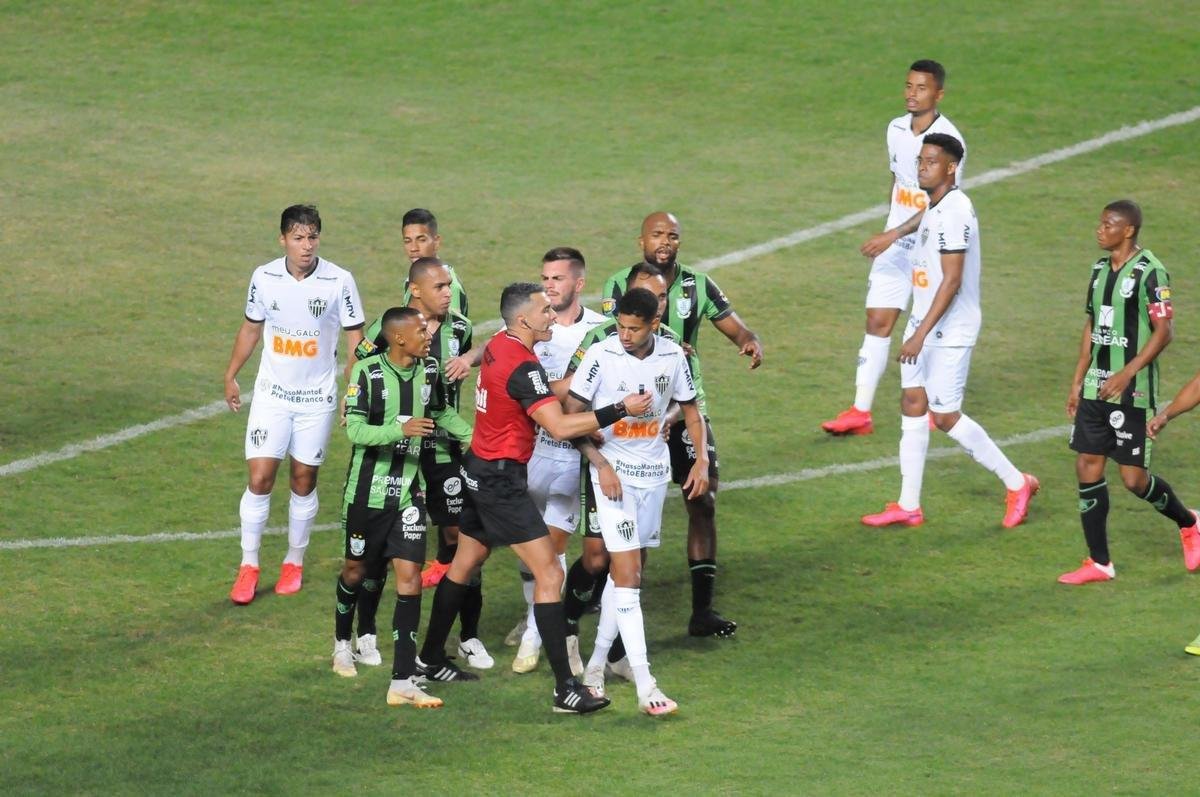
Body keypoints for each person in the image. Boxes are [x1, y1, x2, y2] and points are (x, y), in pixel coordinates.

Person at [415, 282, 653, 714]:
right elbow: (558, 427)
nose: (552, 316)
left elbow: (535, 387)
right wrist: (619, 409)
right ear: (523, 319)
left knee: (466, 561)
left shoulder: (499, 346)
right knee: (549, 573)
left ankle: (429, 658)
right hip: (501, 483)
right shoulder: (523, 366)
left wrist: (578, 383)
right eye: (545, 310)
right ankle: (566, 689)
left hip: (476, 469)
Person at [860, 134, 1038, 529]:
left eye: (931, 161)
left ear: (952, 167)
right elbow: (925, 218)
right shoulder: (937, 205)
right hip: (923, 321)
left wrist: (920, 335)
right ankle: (908, 505)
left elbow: (952, 281)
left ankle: (1017, 483)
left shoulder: (956, 211)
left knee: (944, 416)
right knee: (912, 402)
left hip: (948, 329)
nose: (922, 167)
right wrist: (893, 234)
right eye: (920, 161)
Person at [602, 212, 763, 638]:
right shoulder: (618, 284)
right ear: (641, 241)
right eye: (657, 234)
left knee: (703, 499)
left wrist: (749, 340)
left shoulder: (698, 284)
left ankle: (701, 611)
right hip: (638, 415)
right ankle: (617, 603)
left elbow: (735, 326)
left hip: (687, 408)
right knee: (628, 510)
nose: (665, 242)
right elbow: (610, 340)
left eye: (672, 236)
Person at [567, 288, 706, 715]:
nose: (624, 335)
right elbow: (570, 416)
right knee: (628, 577)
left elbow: (691, 409)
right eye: (621, 326)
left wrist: (700, 460)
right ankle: (646, 685)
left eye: (633, 328)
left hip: (653, 477)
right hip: (612, 478)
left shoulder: (672, 356)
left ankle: (595, 667)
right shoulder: (601, 355)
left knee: (628, 576)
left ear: (653, 325)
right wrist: (600, 465)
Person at [347, 258, 488, 669]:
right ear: (416, 290)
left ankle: (469, 636)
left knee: (461, 539)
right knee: (378, 551)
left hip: (441, 448)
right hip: (395, 452)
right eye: (441, 286)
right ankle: (367, 632)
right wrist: (354, 403)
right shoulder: (391, 325)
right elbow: (362, 362)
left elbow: (444, 398)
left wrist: (469, 432)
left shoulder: (460, 328)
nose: (449, 293)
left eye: (449, 285)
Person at [332, 307, 473, 709]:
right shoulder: (367, 373)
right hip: (366, 493)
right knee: (356, 571)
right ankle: (342, 642)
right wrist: (401, 429)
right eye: (421, 331)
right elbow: (355, 429)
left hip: (410, 493)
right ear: (398, 338)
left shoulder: (429, 371)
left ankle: (402, 681)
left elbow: (440, 410)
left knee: (409, 581)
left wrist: (472, 437)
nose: (428, 336)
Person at [224, 205, 364, 604]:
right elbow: (251, 328)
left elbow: (356, 339)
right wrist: (231, 374)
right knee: (260, 478)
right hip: (272, 396)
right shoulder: (264, 277)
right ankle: (249, 566)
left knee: (303, 480)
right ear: (283, 239)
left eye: (312, 237)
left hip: (316, 399)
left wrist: (352, 391)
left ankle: (294, 561)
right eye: (299, 238)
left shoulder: (339, 281)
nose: (307, 246)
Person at [1058, 200, 1200, 585]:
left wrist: (1127, 372)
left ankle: (1189, 522)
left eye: (1108, 225)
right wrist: (1078, 380)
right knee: (1087, 463)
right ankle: (1099, 562)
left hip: (1132, 391)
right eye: (1100, 223)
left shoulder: (1151, 272)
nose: (1099, 230)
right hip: (1096, 386)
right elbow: (1092, 326)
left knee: (1134, 480)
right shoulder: (1098, 270)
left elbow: (1165, 332)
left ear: (1128, 231)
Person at [823, 60, 967, 436]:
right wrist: (892, 228)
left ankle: (936, 406)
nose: (912, 94)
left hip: (929, 249)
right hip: (896, 245)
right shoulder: (896, 129)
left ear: (938, 94)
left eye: (921, 88)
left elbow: (943, 202)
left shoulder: (949, 143)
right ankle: (860, 412)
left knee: (926, 325)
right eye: (908, 86)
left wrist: (893, 234)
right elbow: (897, 181)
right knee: (877, 321)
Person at [509, 247, 607, 675]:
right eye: (545, 278)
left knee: (553, 548)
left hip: (570, 454)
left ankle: (534, 638)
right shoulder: (535, 325)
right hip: (529, 452)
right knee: (528, 551)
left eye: (558, 278)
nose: (549, 286)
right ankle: (534, 616)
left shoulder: (600, 331)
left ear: (578, 284)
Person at [401, 208, 468, 317]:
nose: (413, 248)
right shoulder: (412, 279)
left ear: (436, 242)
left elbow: (449, 327)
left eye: (421, 240)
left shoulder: (450, 287)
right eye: (407, 241)